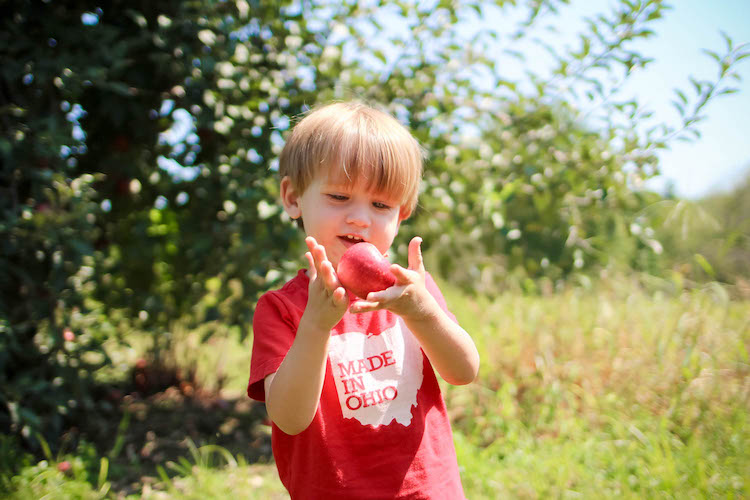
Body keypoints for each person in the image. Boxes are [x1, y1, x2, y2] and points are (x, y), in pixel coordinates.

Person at [247, 101, 480, 499]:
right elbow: (288, 418)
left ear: (401, 214)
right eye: (339, 196)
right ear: (292, 197)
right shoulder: (282, 309)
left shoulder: (411, 291)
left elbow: (464, 370)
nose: (360, 218)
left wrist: (422, 311)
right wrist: (316, 325)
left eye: (381, 205)